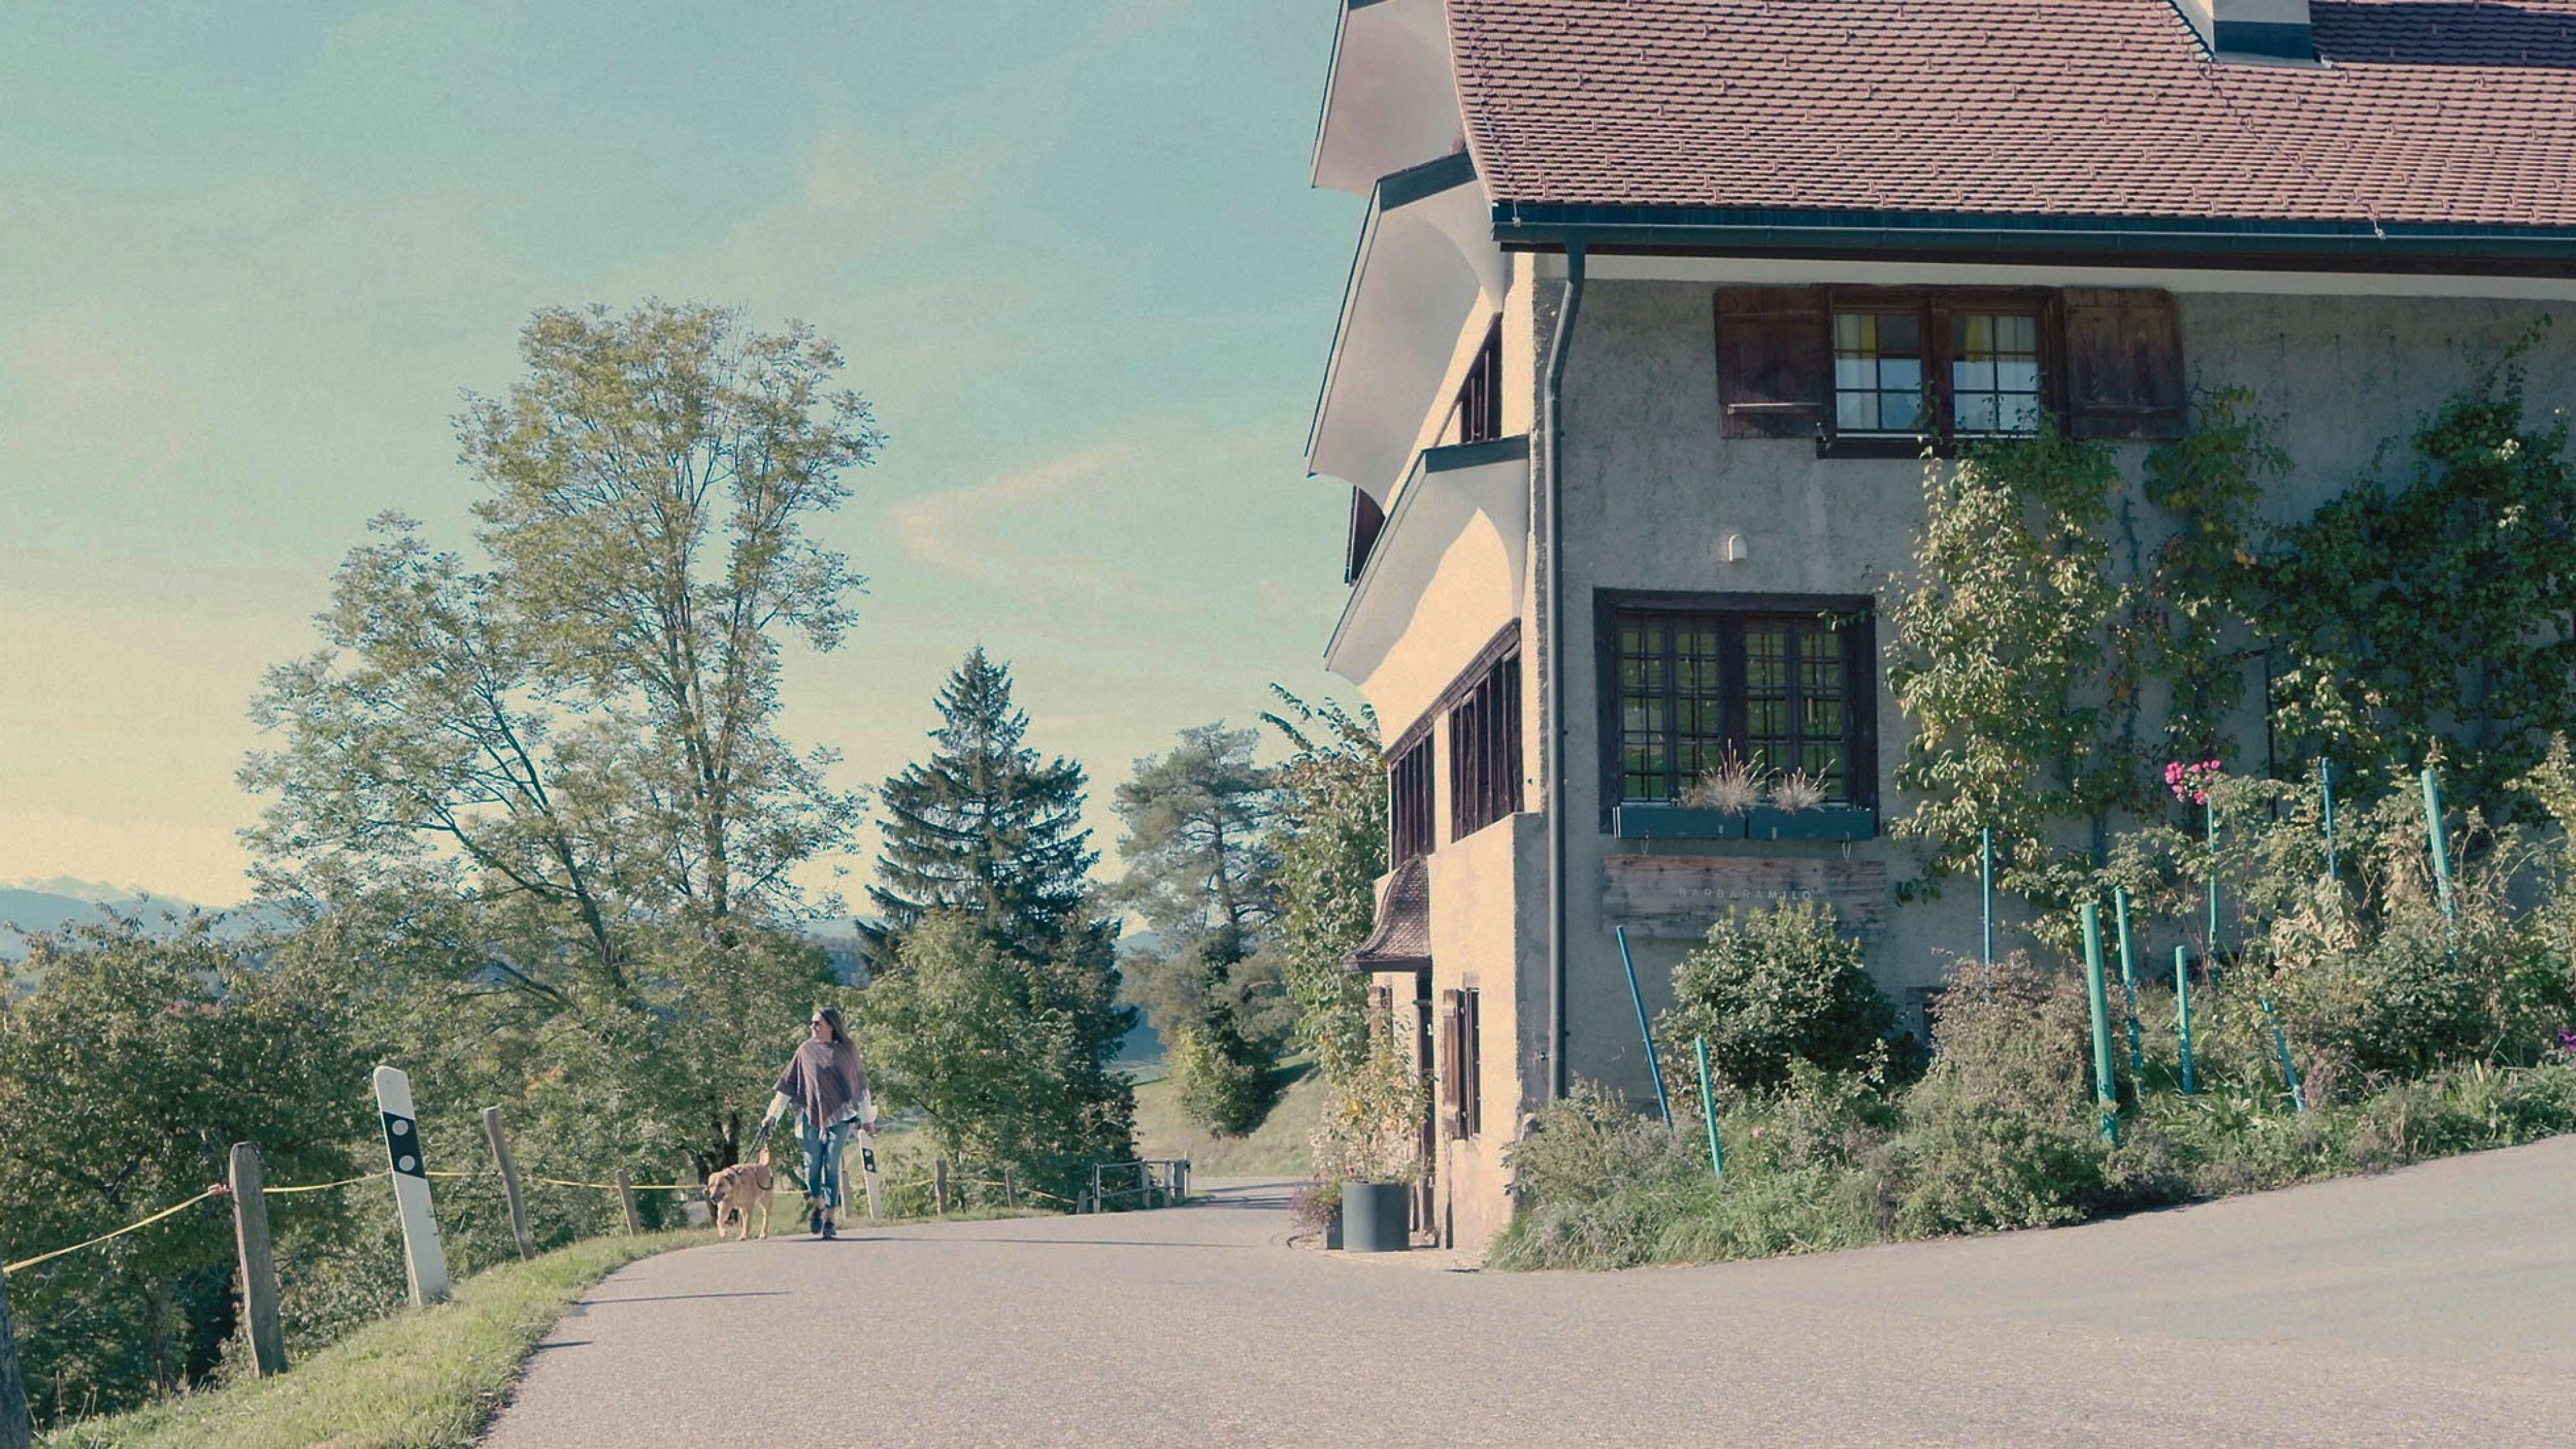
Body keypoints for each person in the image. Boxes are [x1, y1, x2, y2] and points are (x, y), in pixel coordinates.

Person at [754, 1007, 874, 1239]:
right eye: (812, 1023)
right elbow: (788, 1086)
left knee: (831, 1165)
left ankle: (830, 1218)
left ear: (831, 1025)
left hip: (840, 1117)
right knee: (811, 1168)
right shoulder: (805, 1051)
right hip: (810, 1116)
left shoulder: (847, 1050)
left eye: (817, 1023)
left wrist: (868, 1119)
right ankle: (817, 1205)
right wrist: (772, 1116)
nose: (813, 1027)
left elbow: (859, 1084)